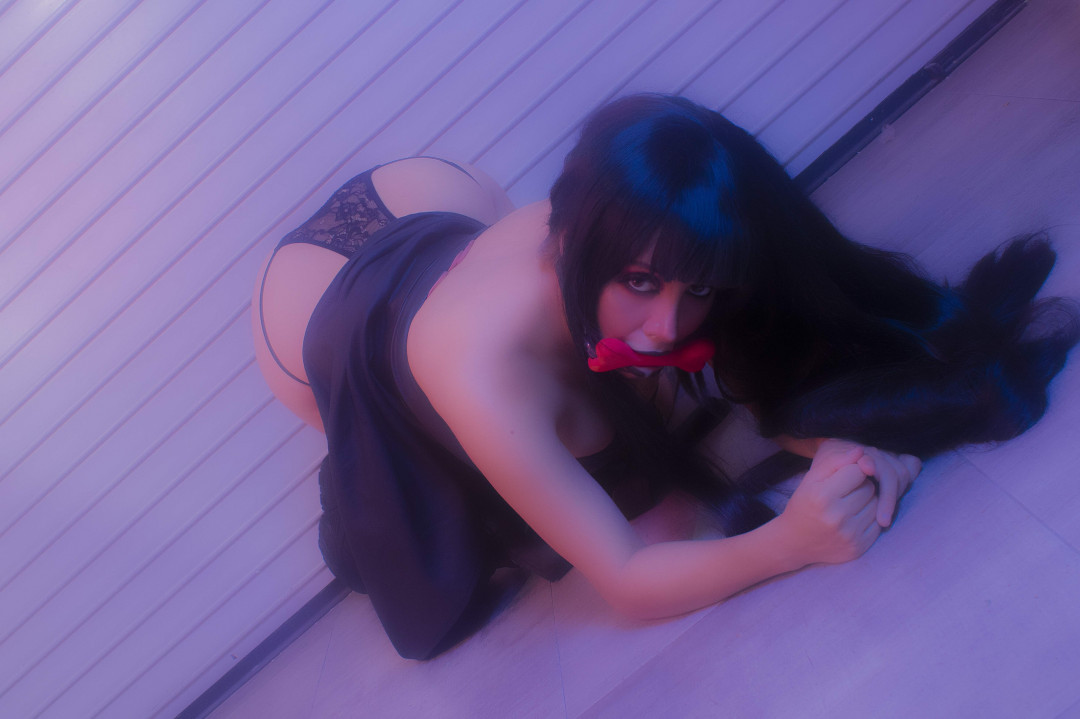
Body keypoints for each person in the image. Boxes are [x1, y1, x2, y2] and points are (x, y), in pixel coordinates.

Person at [252, 94, 1078, 660]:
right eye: (641, 283)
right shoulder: (474, 370)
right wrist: (789, 542)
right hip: (310, 317)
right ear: (572, 240)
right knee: (415, 496)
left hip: (427, 196)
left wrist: (857, 442)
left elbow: (751, 386)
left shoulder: (647, 242)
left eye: (700, 291)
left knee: (645, 470)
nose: (668, 328)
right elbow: (627, 581)